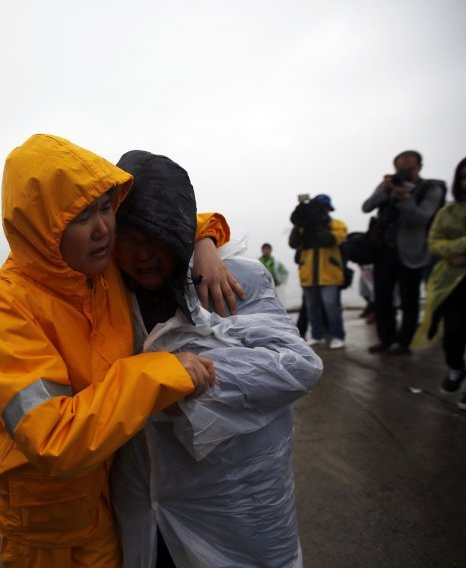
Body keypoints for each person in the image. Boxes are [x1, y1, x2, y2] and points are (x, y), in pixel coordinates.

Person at [0, 134, 227, 566]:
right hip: (48, 531)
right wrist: (161, 371)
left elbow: (174, 219)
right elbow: (54, 437)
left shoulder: (99, 269)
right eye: (82, 216)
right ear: (42, 231)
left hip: (108, 499)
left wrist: (206, 245)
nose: (104, 228)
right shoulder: (3, 309)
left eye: (107, 207)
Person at [109, 149, 322, 567]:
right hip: (146, 498)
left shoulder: (233, 279)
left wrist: (187, 387)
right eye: (129, 239)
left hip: (237, 500)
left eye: (155, 239)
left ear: (178, 230)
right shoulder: (109, 292)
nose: (142, 255)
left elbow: (297, 366)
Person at [412, 154, 466, 412]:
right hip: (454, 284)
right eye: (465, 176)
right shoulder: (448, 211)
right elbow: (436, 243)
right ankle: (456, 367)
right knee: (453, 334)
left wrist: (465, 257)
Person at [362, 150, 447, 355]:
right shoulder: (388, 185)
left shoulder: (431, 188)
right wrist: (385, 189)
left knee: (409, 299)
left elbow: (422, 218)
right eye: (399, 169)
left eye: (409, 168)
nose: (403, 173)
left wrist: (405, 197)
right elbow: (366, 207)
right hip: (383, 252)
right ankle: (386, 339)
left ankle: (404, 342)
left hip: (412, 253)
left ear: (419, 167)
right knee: (382, 298)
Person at [289, 194, 348, 349]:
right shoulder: (305, 227)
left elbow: (330, 240)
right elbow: (293, 242)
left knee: (331, 305)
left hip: (329, 274)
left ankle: (337, 335)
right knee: (312, 307)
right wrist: (300, 223)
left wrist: (319, 225)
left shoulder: (337, 224)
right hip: (309, 274)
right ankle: (317, 335)